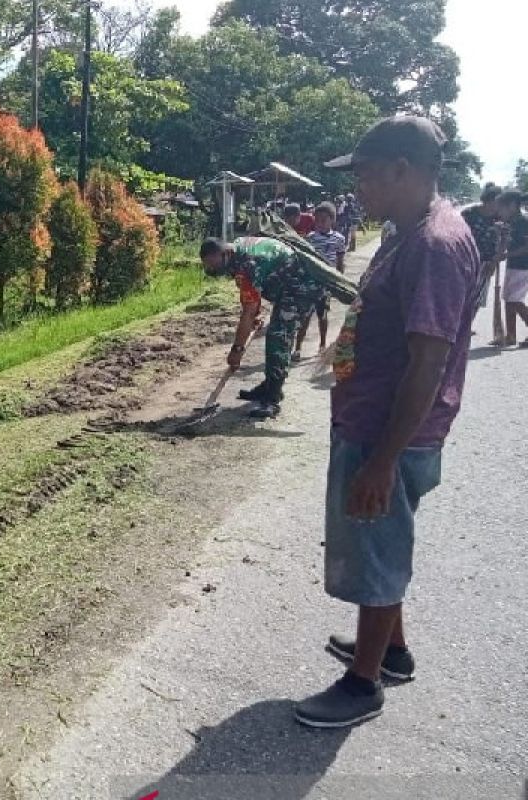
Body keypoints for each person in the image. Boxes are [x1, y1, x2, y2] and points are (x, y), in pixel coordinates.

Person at [295, 115, 480, 729]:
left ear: (403, 169)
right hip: (374, 419)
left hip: (388, 435)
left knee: (377, 546)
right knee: (382, 539)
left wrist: (381, 459)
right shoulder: (410, 231)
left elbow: (427, 362)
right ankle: (391, 650)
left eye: (366, 175)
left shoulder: (434, 244)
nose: (358, 189)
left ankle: (362, 684)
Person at [199, 236, 325, 419]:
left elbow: (247, 311)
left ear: (225, 253)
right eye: (208, 266)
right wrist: (254, 313)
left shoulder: (248, 264)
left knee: (278, 337)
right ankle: (268, 387)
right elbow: (252, 295)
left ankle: (272, 399)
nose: (211, 269)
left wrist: (238, 349)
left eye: (213, 264)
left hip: (303, 286)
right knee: (275, 333)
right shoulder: (238, 249)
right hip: (286, 286)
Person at [295, 202, 349, 359]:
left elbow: (340, 261)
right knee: (305, 315)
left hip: (327, 283)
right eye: (317, 220)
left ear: (332, 220)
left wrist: (339, 281)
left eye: (323, 220)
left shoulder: (339, 239)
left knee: (322, 315)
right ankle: (297, 348)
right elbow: (305, 261)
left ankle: (322, 344)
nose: (319, 223)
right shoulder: (310, 238)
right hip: (311, 282)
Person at [461, 184, 508, 334]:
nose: (499, 206)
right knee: (462, 294)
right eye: (497, 202)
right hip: (465, 260)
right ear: (488, 200)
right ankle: (457, 323)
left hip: (487, 261)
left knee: (478, 297)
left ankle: (466, 325)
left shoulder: (500, 218)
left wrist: (495, 261)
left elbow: (504, 241)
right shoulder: (469, 214)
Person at [498, 192, 528, 345]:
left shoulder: (523, 221)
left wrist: (507, 255)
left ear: (512, 206)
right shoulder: (511, 221)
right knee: (508, 300)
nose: (500, 211)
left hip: (523, 267)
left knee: (515, 300)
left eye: (502, 207)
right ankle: (510, 336)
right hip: (512, 266)